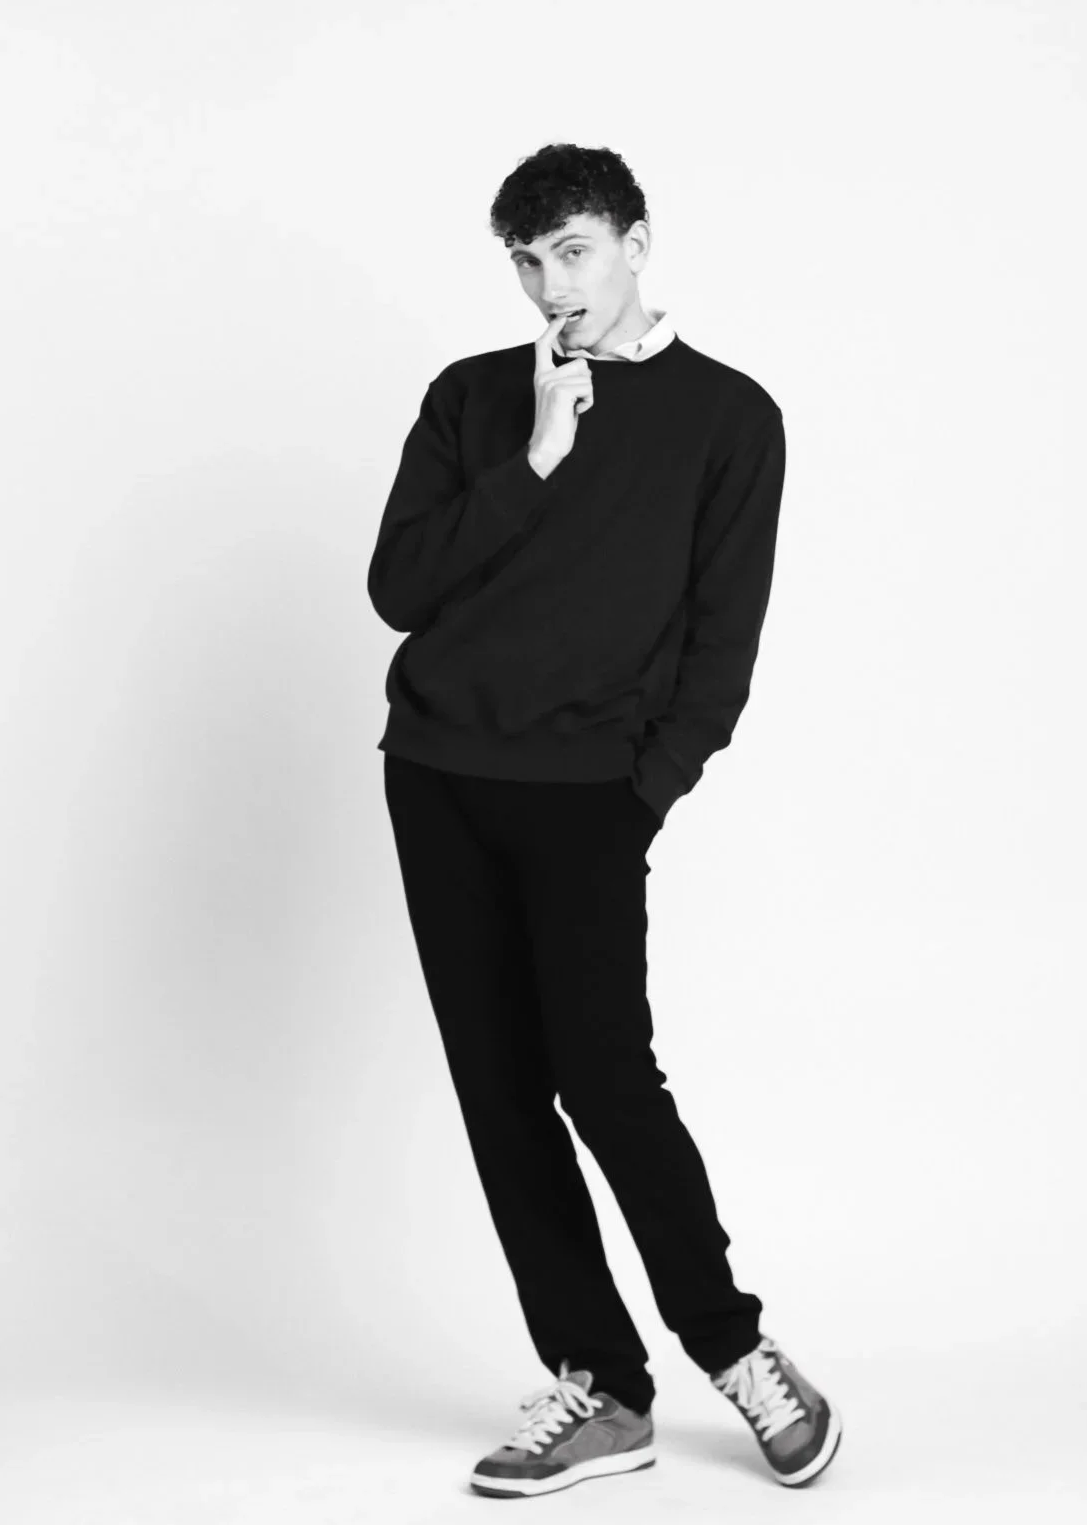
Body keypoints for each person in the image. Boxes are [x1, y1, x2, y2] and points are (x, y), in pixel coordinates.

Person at [367, 142, 842, 1499]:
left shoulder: (728, 418)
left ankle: (733, 1347)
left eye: (571, 251)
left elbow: (721, 641)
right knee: (499, 1086)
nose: (549, 285)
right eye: (526, 262)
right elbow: (399, 589)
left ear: (635, 243)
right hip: (438, 776)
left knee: (606, 1078)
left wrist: (644, 791)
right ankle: (600, 1385)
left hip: (588, 795)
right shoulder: (473, 397)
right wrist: (534, 458)